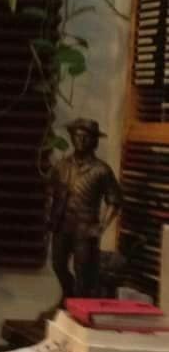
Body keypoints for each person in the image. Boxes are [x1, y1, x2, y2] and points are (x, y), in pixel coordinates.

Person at [45, 117, 122, 300]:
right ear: (72, 138)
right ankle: (68, 296)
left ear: (94, 141)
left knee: (83, 270)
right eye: (77, 136)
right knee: (58, 265)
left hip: (85, 228)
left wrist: (101, 226)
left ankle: (80, 305)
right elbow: (49, 191)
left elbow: (115, 200)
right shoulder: (61, 166)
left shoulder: (101, 170)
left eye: (86, 137)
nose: (81, 140)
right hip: (61, 225)